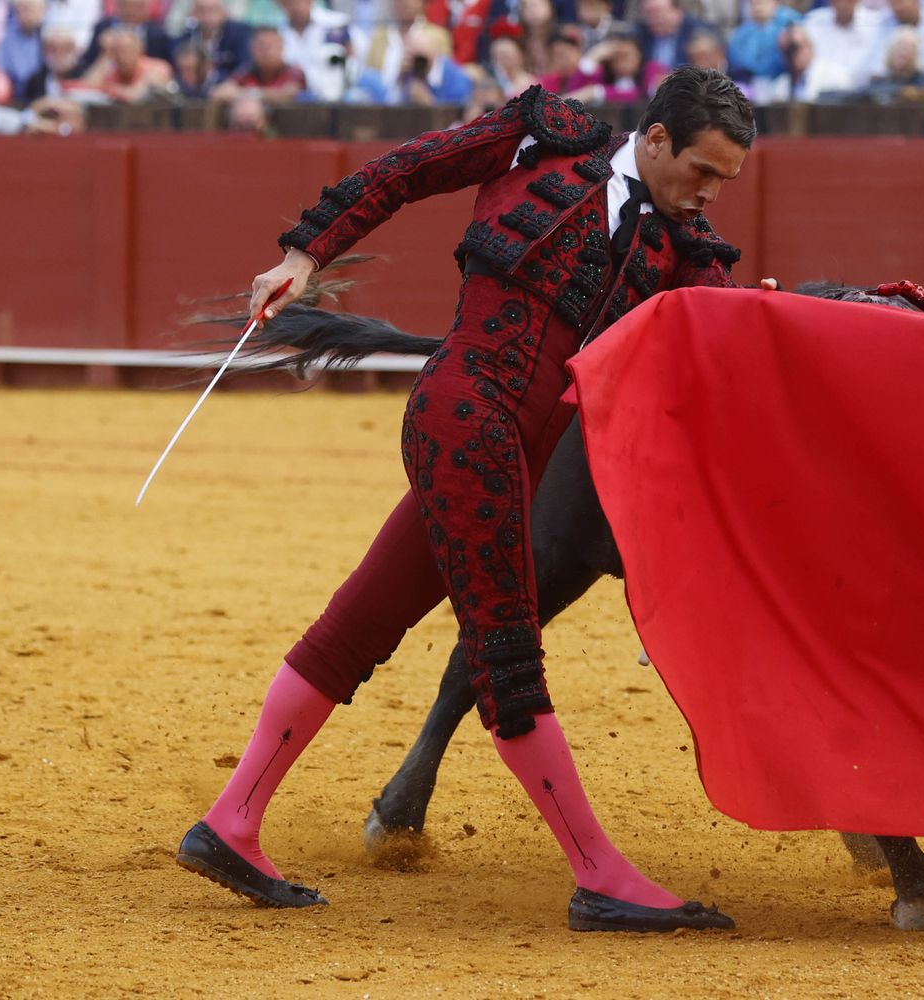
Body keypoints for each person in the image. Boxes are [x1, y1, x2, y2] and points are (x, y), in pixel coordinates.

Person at [175, 68, 775, 932]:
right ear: (655, 140)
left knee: (359, 623)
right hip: (463, 419)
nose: (710, 192)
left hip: (510, 456)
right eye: (703, 170)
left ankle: (230, 824)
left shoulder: (687, 252)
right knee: (509, 658)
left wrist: (762, 326)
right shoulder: (544, 140)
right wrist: (306, 253)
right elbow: (408, 169)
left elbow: (719, 353)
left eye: (726, 179)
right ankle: (600, 875)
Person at [212, 24, 306, 103]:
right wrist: (266, 94)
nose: (265, 51)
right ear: (251, 48)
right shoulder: (246, 71)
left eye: (270, 46)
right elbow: (219, 93)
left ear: (281, 47)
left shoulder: (294, 73)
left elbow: (286, 95)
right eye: (260, 45)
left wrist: (246, 93)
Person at [80, 24, 173, 101]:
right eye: (116, 51)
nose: (121, 56)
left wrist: (106, 88)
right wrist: (105, 55)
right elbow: (86, 89)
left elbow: (136, 96)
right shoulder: (111, 70)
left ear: (140, 50)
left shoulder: (157, 68)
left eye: (126, 50)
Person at [174, 0, 251, 85]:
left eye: (212, 10)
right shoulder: (188, 35)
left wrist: (229, 82)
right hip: (194, 86)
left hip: (228, 85)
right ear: (193, 13)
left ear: (223, 12)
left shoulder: (238, 32)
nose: (206, 16)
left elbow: (245, 66)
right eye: (201, 11)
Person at [727, 0, 800, 84]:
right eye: (752, 3)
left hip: (787, 81)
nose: (756, 6)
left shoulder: (791, 21)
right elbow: (735, 59)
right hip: (751, 84)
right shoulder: (744, 31)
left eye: (760, 2)